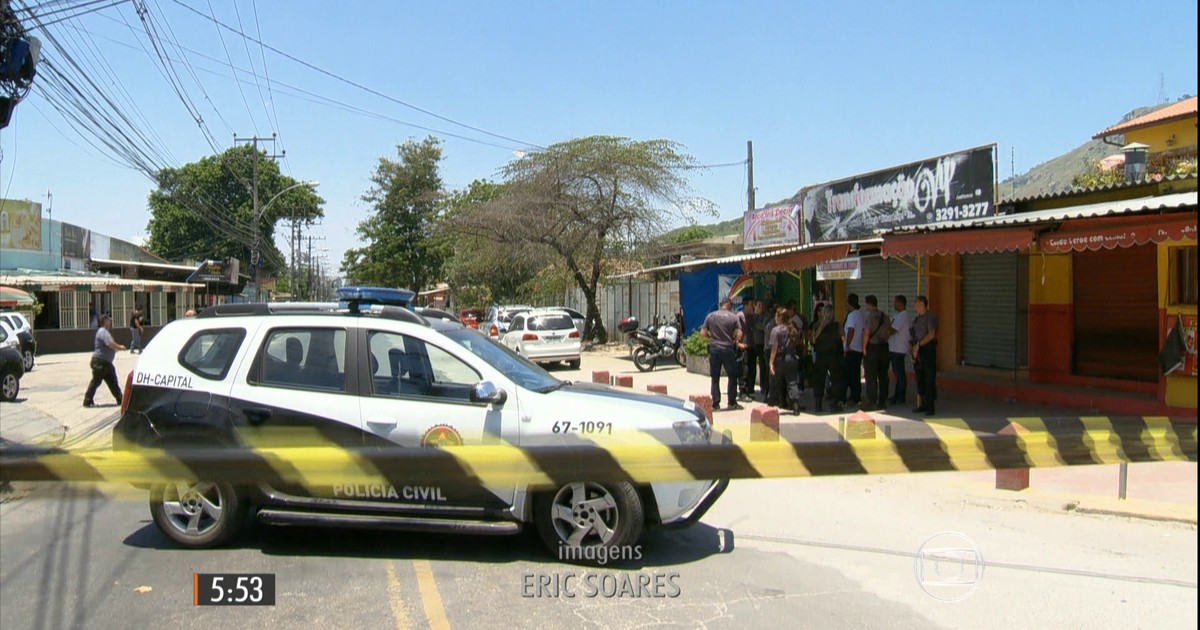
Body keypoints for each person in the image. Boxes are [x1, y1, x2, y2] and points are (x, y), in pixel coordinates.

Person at [701, 297, 744, 411]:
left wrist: (711, 338)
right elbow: (739, 334)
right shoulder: (734, 317)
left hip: (715, 349)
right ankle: (732, 402)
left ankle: (715, 404)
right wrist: (735, 341)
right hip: (728, 349)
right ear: (729, 304)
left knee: (715, 377)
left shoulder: (711, 316)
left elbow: (703, 333)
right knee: (732, 376)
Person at [84, 314, 127, 407]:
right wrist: (120, 347)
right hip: (100, 362)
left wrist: (115, 349)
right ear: (105, 322)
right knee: (96, 381)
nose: (110, 322)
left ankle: (120, 399)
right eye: (109, 320)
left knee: (113, 381)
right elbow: (110, 344)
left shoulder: (105, 332)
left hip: (106, 363)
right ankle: (87, 401)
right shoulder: (102, 331)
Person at [768, 308, 804, 414]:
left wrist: (771, 363)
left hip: (780, 359)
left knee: (775, 381)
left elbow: (774, 348)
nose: (775, 318)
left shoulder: (776, 330)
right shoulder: (791, 328)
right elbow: (798, 342)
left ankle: (772, 403)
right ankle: (795, 405)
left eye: (776, 316)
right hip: (792, 358)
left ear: (780, 317)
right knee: (792, 382)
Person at [810, 303, 843, 413]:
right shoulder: (837, 325)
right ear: (832, 313)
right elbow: (842, 338)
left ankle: (818, 405)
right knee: (836, 380)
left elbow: (812, 340)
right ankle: (835, 404)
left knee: (819, 380)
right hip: (834, 355)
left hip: (820, 355)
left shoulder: (816, 325)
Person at [861, 295, 892, 410]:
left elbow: (867, 332)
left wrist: (864, 347)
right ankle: (882, 401)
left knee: (871, 376)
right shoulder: (885, 316)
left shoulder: (869, 317)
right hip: (884, 347)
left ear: (869, 304)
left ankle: (872, 401)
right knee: (883, 375)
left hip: (872, 348)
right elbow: (888, 332)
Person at [910, 295, 939, 415]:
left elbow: (931, 334)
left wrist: (919, 345)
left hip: (927, 350)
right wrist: (914, 349)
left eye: (916, 302)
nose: (914, 305)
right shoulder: (917, 319)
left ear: (922, 304)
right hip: (918, 351)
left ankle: (930, 406)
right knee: (920, 379)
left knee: (929, 379)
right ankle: (923, 404)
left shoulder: (930, 317)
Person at [888, 295, 912, 404]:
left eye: (895, 302)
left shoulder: (903, 316)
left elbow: (892, 330)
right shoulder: (896, 315)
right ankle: (897, 394)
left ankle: (900, 396)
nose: (894, 304)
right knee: (897, 372)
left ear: (900, 303)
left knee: (899, 373)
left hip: (899, 348)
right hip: (894, 348)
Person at [842, 293, 865, 405]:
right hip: (858, 348)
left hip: (851, 349)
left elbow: (851, 330)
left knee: (847, 375)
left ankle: (846, 398)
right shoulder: (861, 314)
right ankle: (856, 396)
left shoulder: (851, 316)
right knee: (855, 375)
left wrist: (847, 346)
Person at [740, 299, 762, 401]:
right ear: (745, 305)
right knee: (745, 369)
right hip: (744, 346)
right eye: (751, 304)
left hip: (752, 345)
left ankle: (750, 390)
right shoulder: (740, 316)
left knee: (752, 369)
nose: (753, 306)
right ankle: (743, 391)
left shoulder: (753, 316)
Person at [757, 300, 775, 403]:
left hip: (767, 346)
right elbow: (760, 326)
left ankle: (768, 393)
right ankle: (766, 391)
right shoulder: (769, 321)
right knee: (766, 370)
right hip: (766, 347)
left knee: (768, 370)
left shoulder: (768, 318)